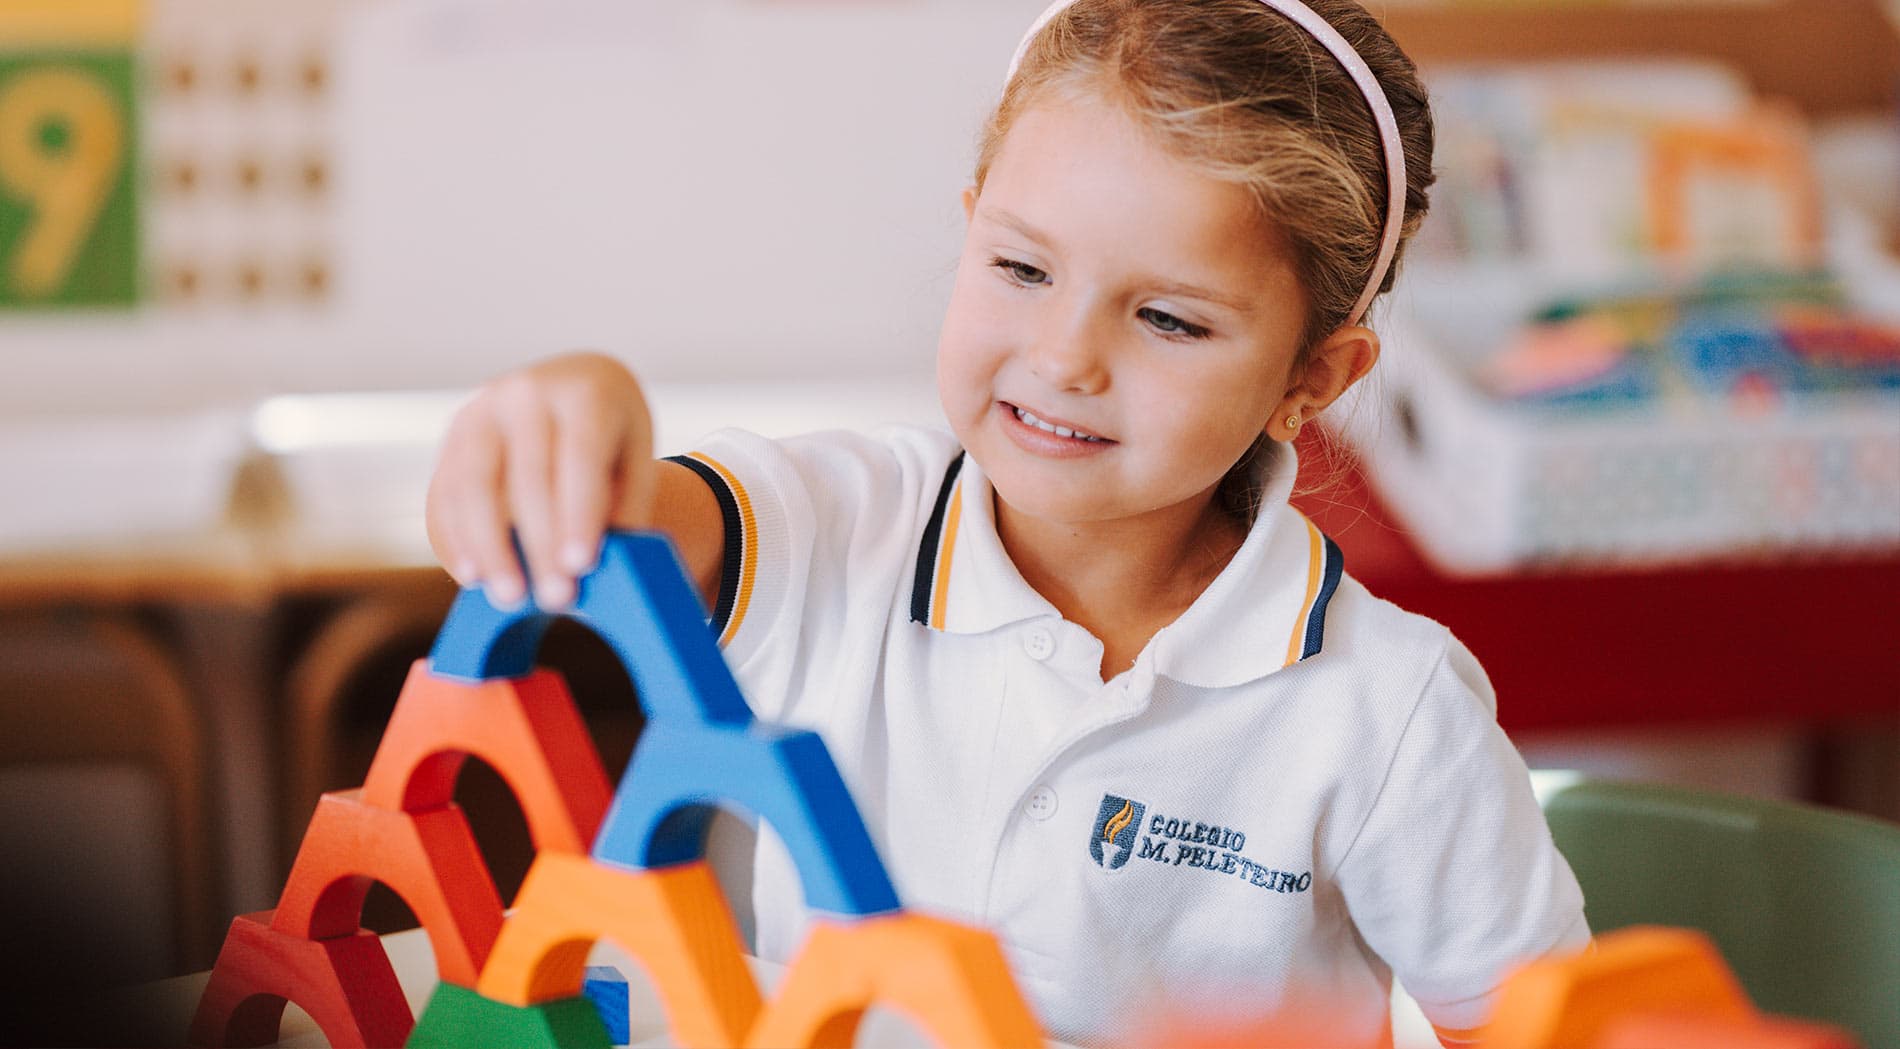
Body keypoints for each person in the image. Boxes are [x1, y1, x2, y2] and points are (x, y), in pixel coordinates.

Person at [424, 1, 1588, 1045]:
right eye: (1022, 267)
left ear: (1313, 376)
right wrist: (577, 407)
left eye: (1170, 320)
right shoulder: (840, 525)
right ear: (972, 223)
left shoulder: (1388, 714)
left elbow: (1544, 1029)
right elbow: (611, 519)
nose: (1062, 357)